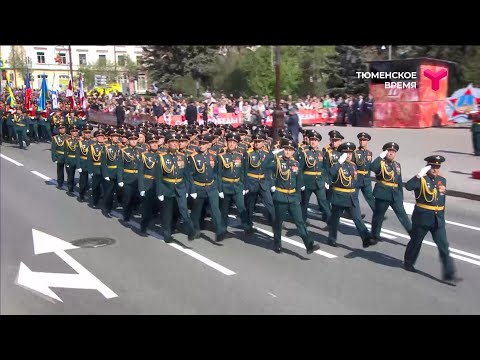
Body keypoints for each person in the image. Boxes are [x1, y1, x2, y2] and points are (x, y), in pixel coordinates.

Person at [404, 155, 462, 285]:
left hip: (437, 219)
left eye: (437, 167)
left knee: (444, 245)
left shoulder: (442, 180)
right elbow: (408, 186)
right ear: (427, 167)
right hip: (422, 218)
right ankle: (408, 262)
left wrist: (441, 217)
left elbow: (441, 200)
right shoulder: (421, 179)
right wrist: (419, 175)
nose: (435, 169)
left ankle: (449, 273)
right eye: (433, 167)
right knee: (416, 242)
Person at [265, 139, 321, 254]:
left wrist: (299, 196)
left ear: (293, 152)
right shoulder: (277, 162)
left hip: (293, 197)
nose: (288, 152)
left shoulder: (296, 163)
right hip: (280, 196)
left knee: (300, 222)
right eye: (286, 149)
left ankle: (308, 244)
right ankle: (277, 244)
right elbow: (265, 166)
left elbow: (298, 180)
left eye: (290, 150)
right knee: (278, 222)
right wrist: (273, 153)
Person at [326, 142, 377, 248]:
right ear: (341, 154)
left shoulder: (353, 166)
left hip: (351, 198)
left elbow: (355, 182)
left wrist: (355, 194)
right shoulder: (337, 165)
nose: (348, 155)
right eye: (346, 153)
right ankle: (332, 238)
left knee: (357, 218)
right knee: (335, 220)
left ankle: (366, 238)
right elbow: (330, 174)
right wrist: (339, 163)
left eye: (350, 153)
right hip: (339, 196)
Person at [157, 132, 196, 242]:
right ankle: (167, 234)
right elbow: (158, 177)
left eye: (176, 142)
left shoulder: (182, 157)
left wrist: (191, 189)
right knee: (167, 213)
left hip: (180, 187)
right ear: (167, 144)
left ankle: (191, 230)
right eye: (171, 142)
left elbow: (187, 174)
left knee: (184, 210)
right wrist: (159, 192)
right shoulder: (162, 157)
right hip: (167, 187)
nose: (174, 144)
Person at [187, 134, 227, 242]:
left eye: (204, 144)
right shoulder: (193, 157)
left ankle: (219, 231)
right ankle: (195, 230)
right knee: (196, 211)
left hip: (211, 186)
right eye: (200, 143)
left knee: (215, 209)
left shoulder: (214, 156)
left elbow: (217, 174)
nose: (201, 146)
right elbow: (189, 175)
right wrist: (192, 190)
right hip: (198, 187)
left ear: (208, 145)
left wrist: (220, 189)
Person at [370, 142, 412, 242]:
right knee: (378, 216)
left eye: (393, 152)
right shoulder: (380, 163)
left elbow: (399, 181)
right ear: (385, 152)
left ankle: (414, 236)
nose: (391, 153)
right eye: (389, 151)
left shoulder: (397, 165)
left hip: (395, 194)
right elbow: (372, 168)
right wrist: (380, 156)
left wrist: (401, 196)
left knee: (403, 216)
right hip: (383, 192)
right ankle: (375, 235)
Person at [218, 132, 252, 235]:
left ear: (237, 145)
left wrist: (244, 186)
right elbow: (218, 174)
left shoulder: (240, 156)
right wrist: (219, 189)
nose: (232, 144)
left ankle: (247, 226)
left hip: (237, 185)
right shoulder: (221, 156)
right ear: (226, 143)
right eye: (230, 142)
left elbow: (243, 172)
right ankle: (222, 229)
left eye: (234, 142)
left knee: (241, 207)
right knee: (224, 209)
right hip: (225, 185)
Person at [298, 130, 331, 226]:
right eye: (311, 139)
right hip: (307, 182)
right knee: (304, 203)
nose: (313, 142)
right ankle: (302, 222)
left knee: (323, 202)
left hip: (319, 182)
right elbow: (300, 169)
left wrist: (325, 180)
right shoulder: (304, 153)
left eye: (315, 140)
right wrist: (301, 183)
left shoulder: (322, 153)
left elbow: (325, 168)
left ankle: (330, 222)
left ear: (318, 142)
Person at [244, 133, 275, 228]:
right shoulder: (248, 153)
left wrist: (272, 184)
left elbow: (269, 170)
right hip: (251, 182)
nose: (257, 143)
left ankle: (275, 222)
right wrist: (245, 186)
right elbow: (244, 171)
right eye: (255, 142)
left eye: (259, 142)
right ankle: (248, 224)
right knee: (250, 205)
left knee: (270, 203)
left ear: (263, 142)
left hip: (263, 182)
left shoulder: (267, 154)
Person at [138, 133, 161, 234]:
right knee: (147, 207)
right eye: (152, 143)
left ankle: (155, 223)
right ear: (148, 145)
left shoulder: (162, 155)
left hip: (159, 184)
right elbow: (140, 172)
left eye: (156, 142)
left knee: (158, 206)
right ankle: (143, 226)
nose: (155, 144)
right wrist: (141, 187)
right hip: (148, 183)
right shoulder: (144, 155)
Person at [117, 131, 142, 223]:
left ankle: (133, 210)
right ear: (128, 141)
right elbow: (120, 166)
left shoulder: (141, 151)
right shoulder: (123, 151)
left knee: (136, 197)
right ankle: (126, 215)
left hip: (138, 177)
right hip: (127, 177)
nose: (134, 141)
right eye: (131, 139)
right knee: (127, 198)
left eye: (135, 139)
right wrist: (120, 179)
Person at [353, 132, 376, 214]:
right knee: (354, 197)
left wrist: (368, 177)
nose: (362, 142)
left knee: (370, 197)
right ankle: (356, 214)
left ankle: (378, 213)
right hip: (357, 178)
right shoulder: (355, 152)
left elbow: (369, 166)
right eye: (360, 140)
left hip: (366, 178)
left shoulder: (369, 153)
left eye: (364, 140)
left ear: (367, 141)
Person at [101, 128, 122, 216]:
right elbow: (104, 162)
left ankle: (116, 204)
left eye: (117, 136)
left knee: (118, 191)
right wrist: (105, 174)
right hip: (110, 171)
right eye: (114, 136)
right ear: (110, 137)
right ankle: (107, 207)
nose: (116, 138)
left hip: (118, 172)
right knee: (109, 192)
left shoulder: (121, 148)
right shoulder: (106, 147)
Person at [87, 129, 107, 208]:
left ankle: (105, 202)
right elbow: (89, 160)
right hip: (96, 169)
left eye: (102, 136)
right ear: (96, 138)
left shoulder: (107, 147)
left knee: (106, 187)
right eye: (99, 136)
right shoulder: (92, 147)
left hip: (106, 170)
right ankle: (95, 201)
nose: (101, 138)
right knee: (96, 187)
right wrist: (90, 170)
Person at [76, 124, 94, 202]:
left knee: (95, 182)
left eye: (89, 133)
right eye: (86, 133)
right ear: (83, 133)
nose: (88, 134)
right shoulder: (80, 143)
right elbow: (77, 156)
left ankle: (95, 196)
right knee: (83, 181)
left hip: (93, 164)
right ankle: (81, 195)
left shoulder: (94, 142)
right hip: (84, 163)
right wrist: (78, 166)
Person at [51, 123, 67, 189]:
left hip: (67, 156)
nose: (62, 130)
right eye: (60, 129)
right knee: (60, 170)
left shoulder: (69, 137)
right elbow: (53, 149)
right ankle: (60, 182)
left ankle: (70, 183)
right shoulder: (56, 138)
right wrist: (54, 158)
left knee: (70, 171)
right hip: (59, 156)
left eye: (63, 128)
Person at [64, 125, 79, 193]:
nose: (75, 132)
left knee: (82, 175)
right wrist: (66, 162)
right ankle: (70, 187)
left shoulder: (80, 140)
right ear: (70, 132)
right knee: (70, 175)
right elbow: (66, 152)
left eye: (76, 131)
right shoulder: (67, 141)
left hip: (78, 160)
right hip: (70, 159)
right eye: (73, 131)